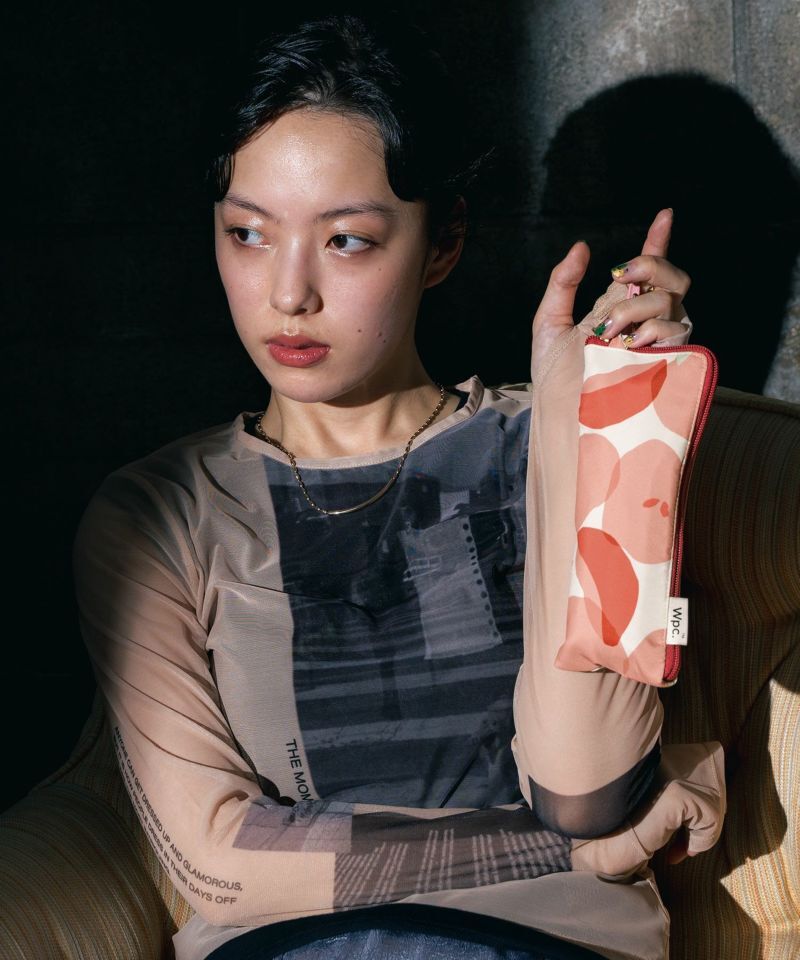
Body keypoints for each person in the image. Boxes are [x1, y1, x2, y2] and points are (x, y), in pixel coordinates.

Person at [72, 12, 725, 960]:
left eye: (346, 241)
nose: (288, 294)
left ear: (443, 242)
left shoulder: (532, 439)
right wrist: (578, 852)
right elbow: (220, 866)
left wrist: (587, 431)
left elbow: (585, 788)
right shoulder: (162, 514)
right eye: (248, 234)